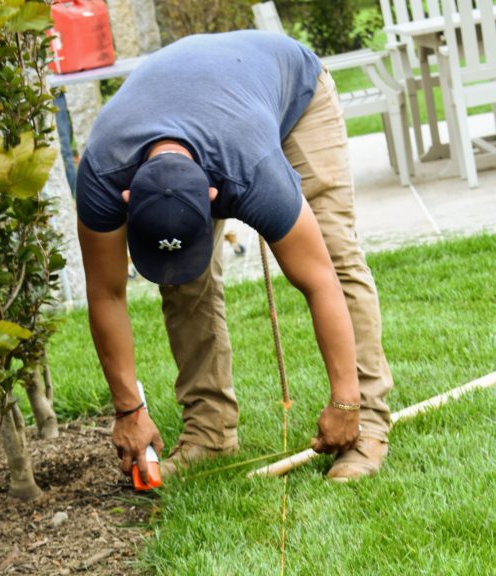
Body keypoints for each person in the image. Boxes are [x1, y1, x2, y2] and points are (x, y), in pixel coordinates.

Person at [75, 30, 393, 483]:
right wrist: (128, 408)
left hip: (289, 90)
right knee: (182, 279)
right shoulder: (102, 174)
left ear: (213, 196)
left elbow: (321, 280)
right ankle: (210, 432)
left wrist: (344, 402)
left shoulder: (251, 170)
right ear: (127, 197)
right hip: (206, 95)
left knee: (334, 253)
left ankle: (366, 426)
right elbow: (106, 295)